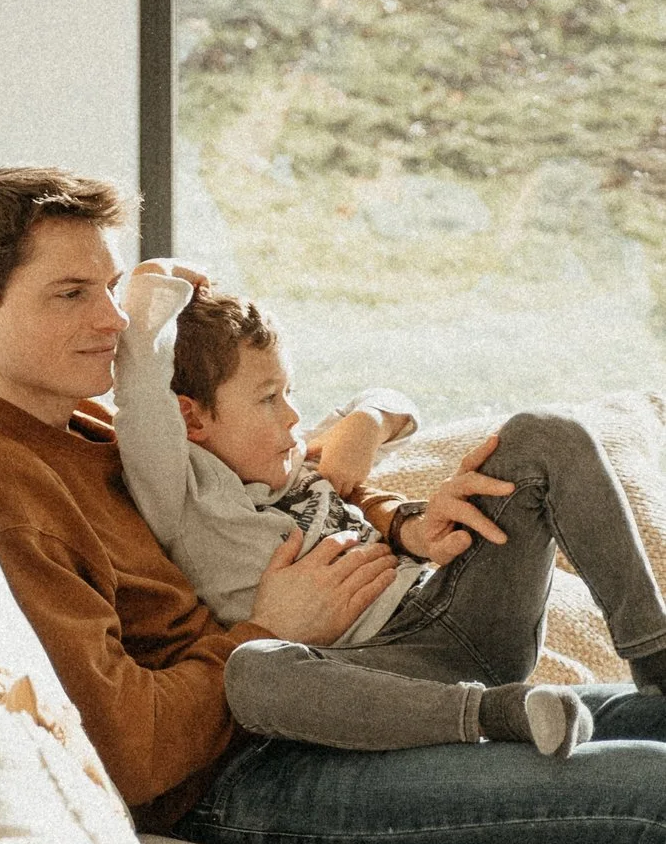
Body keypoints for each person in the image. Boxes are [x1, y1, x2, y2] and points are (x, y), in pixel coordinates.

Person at [0, 164, 666, 844]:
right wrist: (262, 627)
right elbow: (130, 749)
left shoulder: (80, 418)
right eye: (71, 294)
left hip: (355, 678)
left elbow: (279, 484)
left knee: (643, 696)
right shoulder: (4, 483)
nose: (114, 320)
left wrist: (399, 517)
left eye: (113, 289)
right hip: (249, 767)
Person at [115, 258, 666, 755]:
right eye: (267, 398)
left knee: (544, 435)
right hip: (380, 668)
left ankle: (653, 651)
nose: (292, 415)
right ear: (192, 421)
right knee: (254, 674)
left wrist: (370, 420)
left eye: (290, 391)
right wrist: (154, 282)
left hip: (455, 603)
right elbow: (140, 395)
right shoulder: (187, 495)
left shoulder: (294, 456)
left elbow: (397, 406)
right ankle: (498, 713)